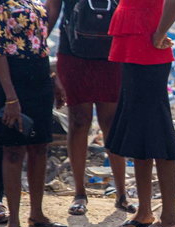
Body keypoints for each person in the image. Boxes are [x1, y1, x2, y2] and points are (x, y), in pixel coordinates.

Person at [0, 0, 68, 227]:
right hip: (11, 78)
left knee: (40, 146)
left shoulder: (34, 2)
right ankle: (14, 222)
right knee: (13, 150)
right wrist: (11, 97)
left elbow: (41, 42)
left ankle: (37, 213)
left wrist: (53, 79)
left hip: (40, 75)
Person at [45, 0, 135, 216]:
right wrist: (38, 46)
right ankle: (79, 193)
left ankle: (122, 194)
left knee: (111, 122)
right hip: (73, 51)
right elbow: (53, 8)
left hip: (112, 52)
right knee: (78, 121)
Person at [106, 0, 175, 227]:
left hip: (150, 45)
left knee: (157, 130)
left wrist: (160, 32)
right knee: (138, 131)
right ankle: (144, 212)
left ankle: (170, 218)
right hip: (132, 43)